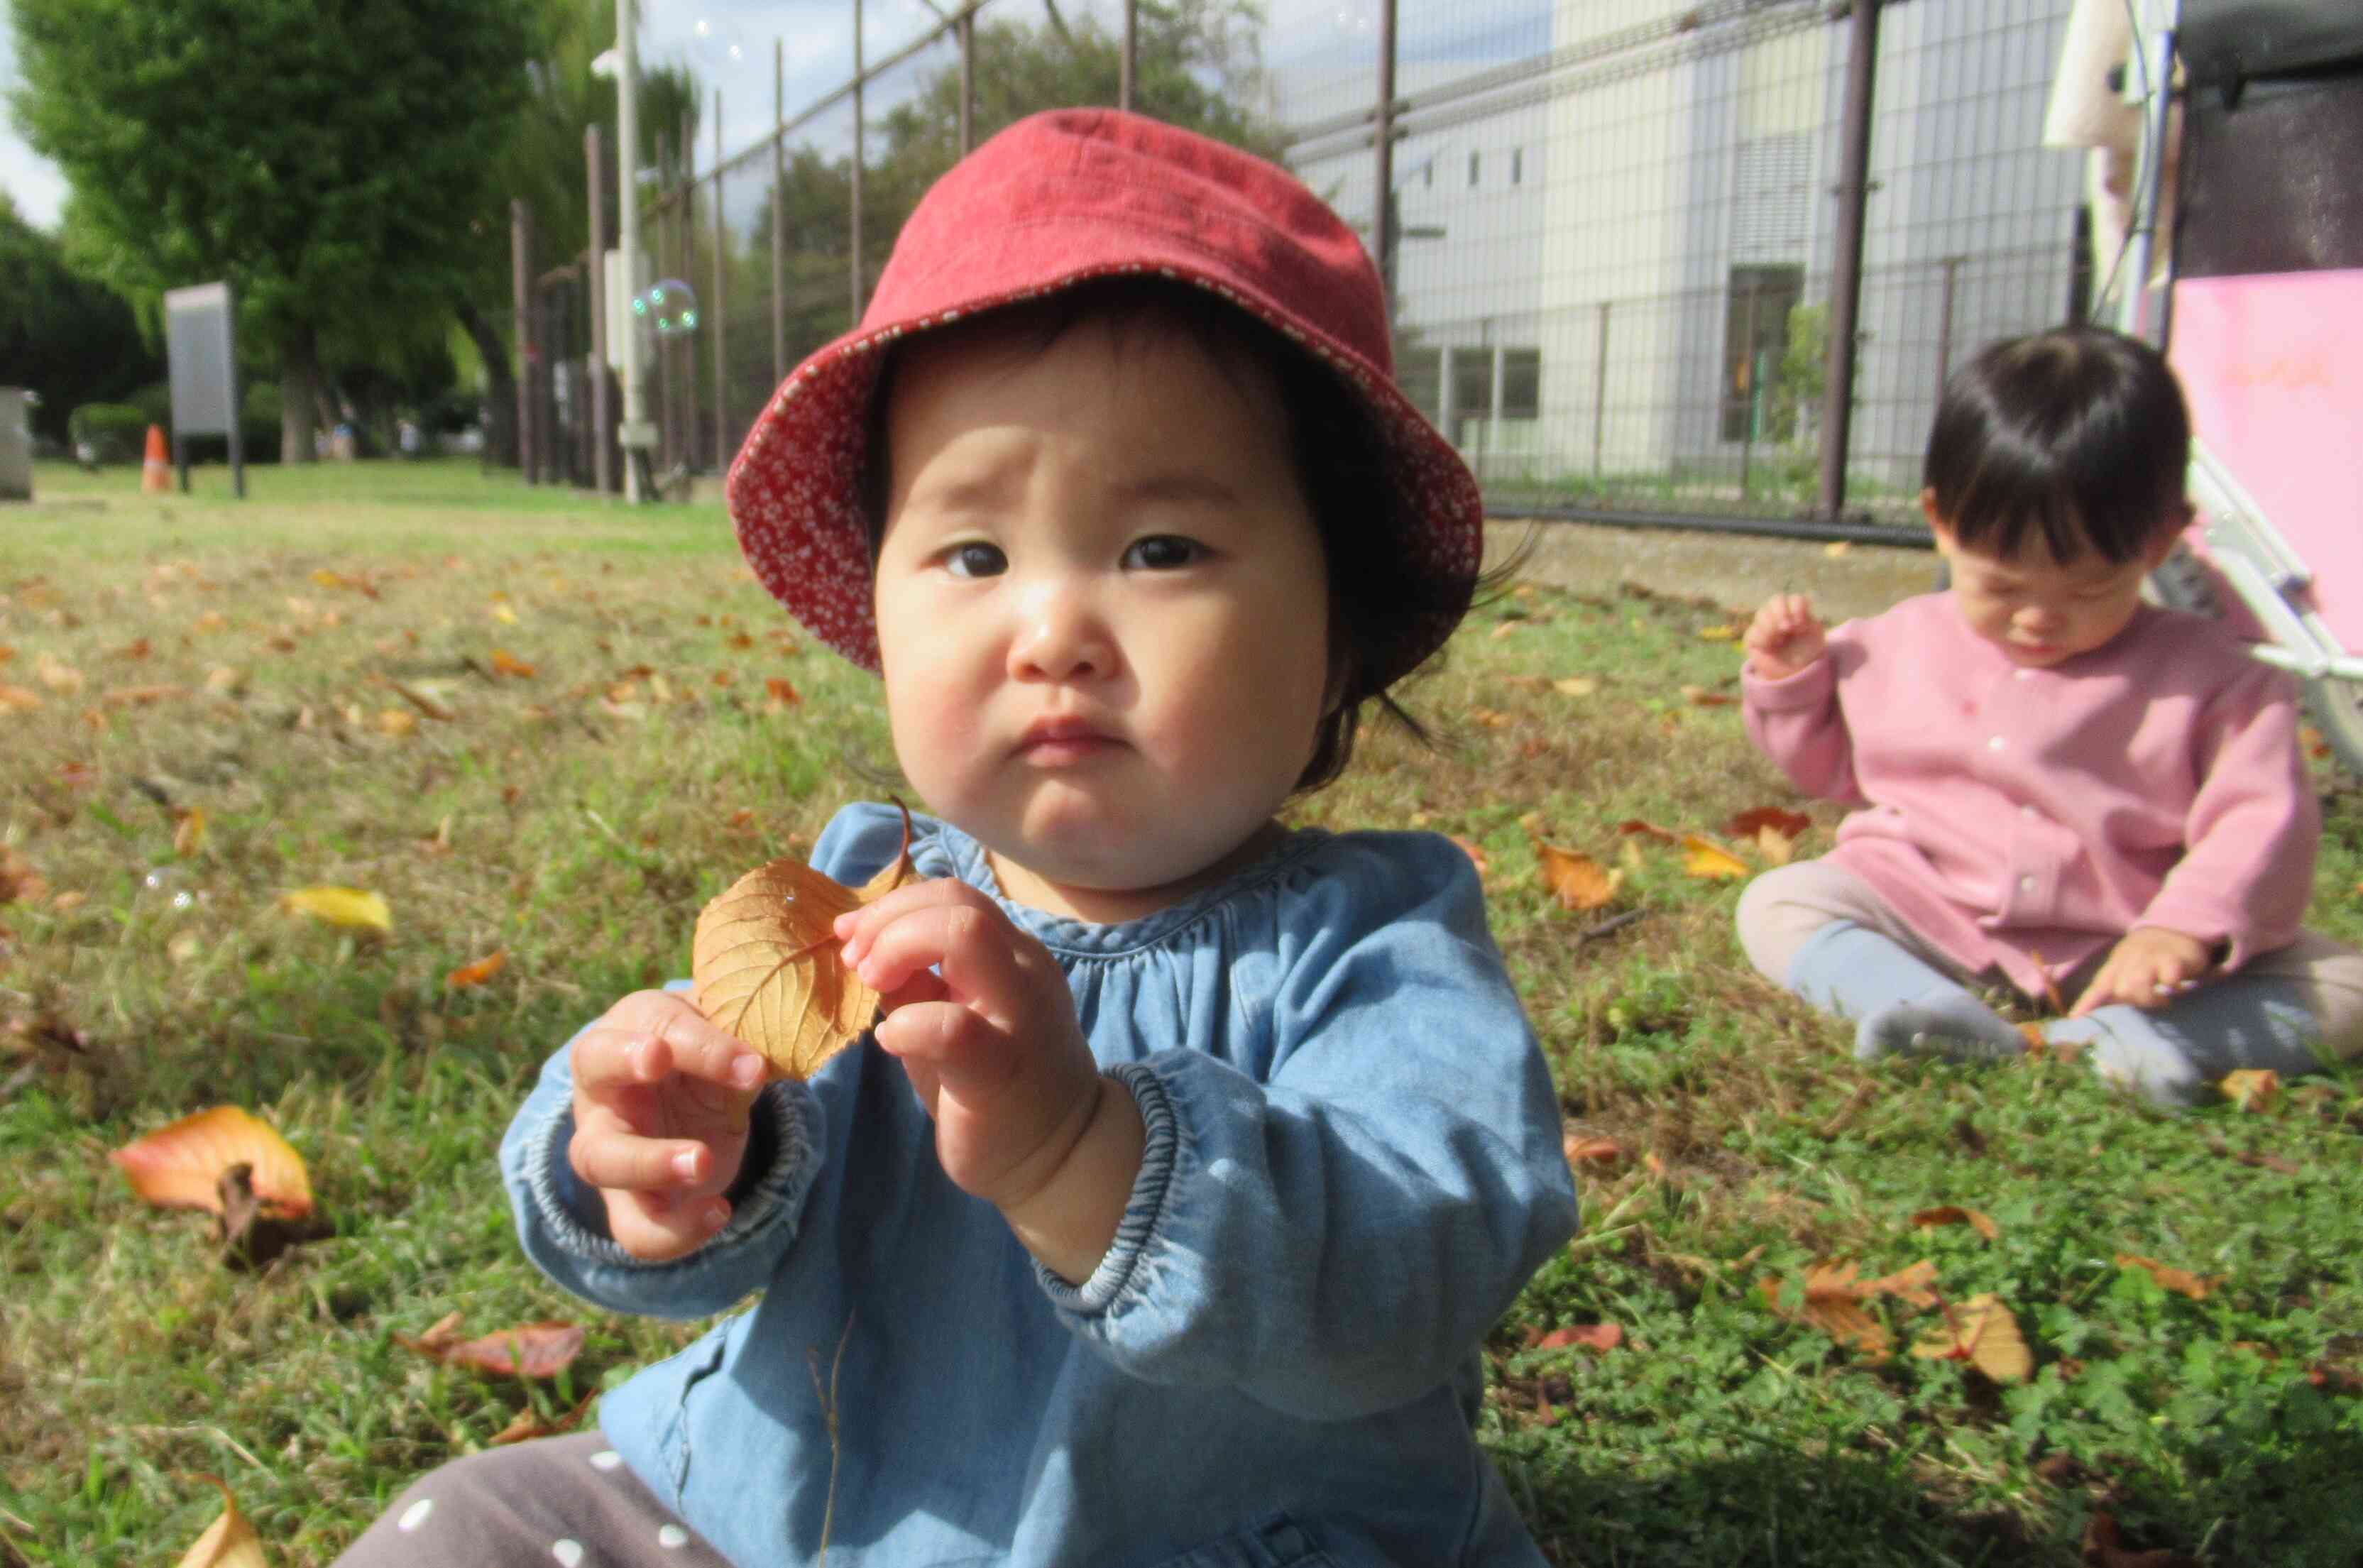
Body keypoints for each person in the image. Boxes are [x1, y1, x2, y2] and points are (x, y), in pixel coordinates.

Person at [334, 109, 1578, 1568]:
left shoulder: (1372, 941)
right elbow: (721, 1184)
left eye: (1159, 549)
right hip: (790, 1510)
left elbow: (1419, 1259)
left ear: (1331, 640)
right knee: (468, 1530)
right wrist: (666, 1151)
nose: (1050, 629)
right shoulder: (866, 887)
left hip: (1211, 1536)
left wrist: (1080, 1146)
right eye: (973, 555)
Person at [1737, 324, 2363, 1107]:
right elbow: (1825, 768)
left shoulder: (2219, 682)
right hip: (1931, 912)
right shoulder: (1894, 641)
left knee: (2345, 982)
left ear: (2161, 539)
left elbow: (2256, 824)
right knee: (1778, 901)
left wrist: (2181, 929)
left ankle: (2117, 1040)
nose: (2036, 619)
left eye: (2087, 591)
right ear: (1940, 520)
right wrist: (1792, 683)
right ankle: (1910, 1004)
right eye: (1999, 588)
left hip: (2127, 948)